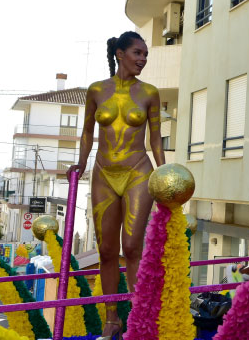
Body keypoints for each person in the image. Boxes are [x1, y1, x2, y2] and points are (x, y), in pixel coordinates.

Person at [68, 31, 165, 338]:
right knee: (107, 250)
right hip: (103, 173)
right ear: (120, 54)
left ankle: (139, 316)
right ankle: (112, 318)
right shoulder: (96, 90)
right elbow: (86, 132)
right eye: (138, 53)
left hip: (138, 171)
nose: (143, 60)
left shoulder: (149, 92)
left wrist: (164, 175)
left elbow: (155, 139)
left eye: (145, 55)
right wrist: (81, 163)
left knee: (133, 246)